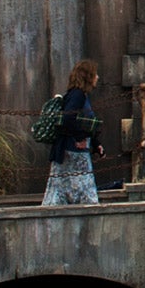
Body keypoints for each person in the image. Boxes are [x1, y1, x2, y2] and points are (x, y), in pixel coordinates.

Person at [43, 59, 102, 206]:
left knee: (66, 187)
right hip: (73, 151)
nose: (97, 77)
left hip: (74, 150)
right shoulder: (78, 95)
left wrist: (96, 144)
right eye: (95, 74)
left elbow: (83, 122)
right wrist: (80, 138)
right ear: (88, 76)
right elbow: (69, 118)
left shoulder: (78, 95)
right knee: (81, 189)